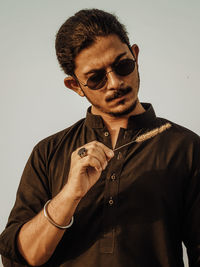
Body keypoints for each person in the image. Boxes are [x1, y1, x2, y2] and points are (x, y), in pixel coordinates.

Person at [0, 8, 200, 267]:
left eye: (123, 65)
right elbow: (18, 257)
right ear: (75, 86)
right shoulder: (48, 153)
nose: (115, 82)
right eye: (95, 78)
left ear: (136, 56)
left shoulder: (187, 148)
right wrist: (70, 194)